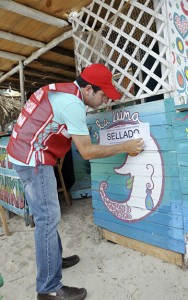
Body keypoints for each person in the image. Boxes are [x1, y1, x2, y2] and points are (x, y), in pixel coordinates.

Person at [6, 63, 144, 300]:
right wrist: (125, 146)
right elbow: (87, 152)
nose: (104, 101)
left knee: (48, 215)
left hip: (23, 152)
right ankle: (48, 287)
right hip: (33, 159)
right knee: (47, 218)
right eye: (103, 95)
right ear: (88, 89)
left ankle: (53, 261)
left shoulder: (64, 91)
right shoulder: (72, 104)